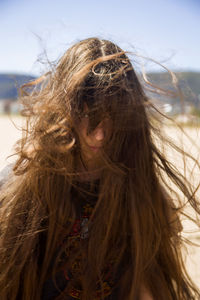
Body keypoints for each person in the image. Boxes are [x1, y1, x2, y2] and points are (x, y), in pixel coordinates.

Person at [0, 37, 199, 300]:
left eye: (112, 118)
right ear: (64, 110)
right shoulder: (19, 184)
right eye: (86, 114)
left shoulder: (143, 190)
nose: (99, 136)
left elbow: (148, 277)